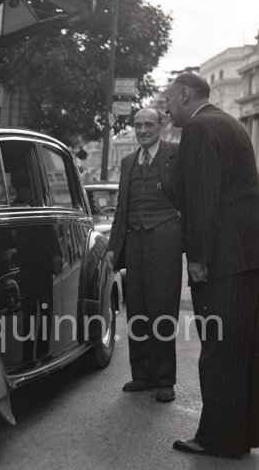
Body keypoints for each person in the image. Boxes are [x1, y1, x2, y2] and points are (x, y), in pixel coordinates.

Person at [165, 72, 259, 459]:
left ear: (185, 93)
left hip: (220, 261)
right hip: (246, 257)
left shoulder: (199, 128)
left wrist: (198, 260)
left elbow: (204, 199)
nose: (168, 108)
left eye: (170, 100)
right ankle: (240, 435)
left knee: (218, 351)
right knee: (241, 351)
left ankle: (217, 439)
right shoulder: (230, 123)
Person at [106, 108, 182, 403]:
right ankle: (143, 375)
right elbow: (121, 210)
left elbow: (188, 198)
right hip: (134, 240)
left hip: (165, 238)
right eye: (138, 125)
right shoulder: (127, 162)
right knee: (136, 306)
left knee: (162, 308)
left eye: (149, 124)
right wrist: (114, 251)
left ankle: (165, 380)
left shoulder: (176, 154)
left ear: (161, 125)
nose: (142, 130)